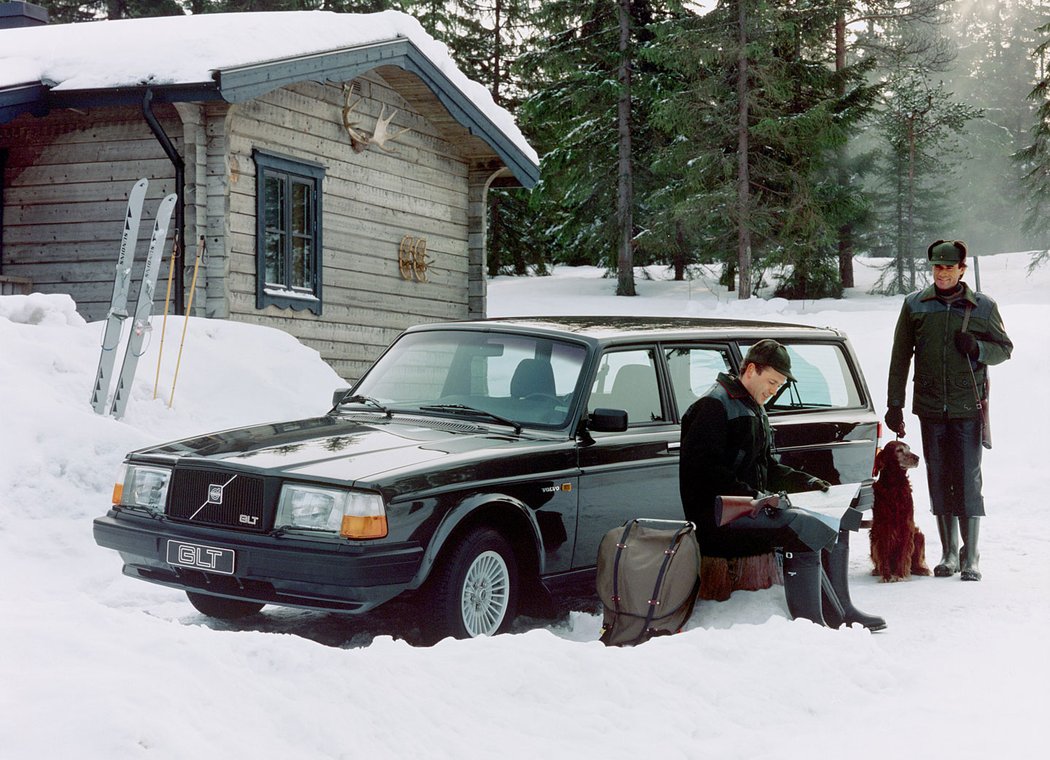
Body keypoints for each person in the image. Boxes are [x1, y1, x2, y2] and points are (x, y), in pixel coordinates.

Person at [680, 339, 885, 630]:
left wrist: (808, 482)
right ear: (751, 370)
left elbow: (768, 466)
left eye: (779, 385)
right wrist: (759, 498)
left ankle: (841, 611)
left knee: (839, 516)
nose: (775, 391)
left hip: (752, 507)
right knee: (804, 527)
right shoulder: (712, 408)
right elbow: (705, 476)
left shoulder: (752, 406)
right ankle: (810, 625)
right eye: (772, 382)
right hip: (720, 518)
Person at [886, 240, 1013, 582]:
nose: (941, 273)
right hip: (930, 406)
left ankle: (970, 557)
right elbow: (901, 356)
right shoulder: (915, 305)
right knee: (938, 475)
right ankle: (948, 554)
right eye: (936, 268)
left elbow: (1004, 349)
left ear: (961, 269)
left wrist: (978, 348)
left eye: (948, 267)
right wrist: (894, 403)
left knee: (968, 477)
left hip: (967, 407)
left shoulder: (983, 307)